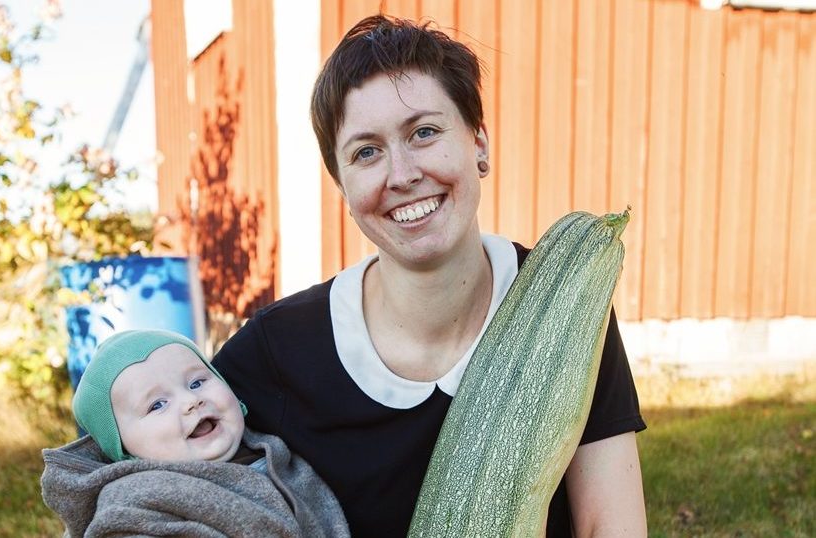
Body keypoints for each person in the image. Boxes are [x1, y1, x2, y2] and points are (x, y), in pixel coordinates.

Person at [213, 14, 647, 538]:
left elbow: (611, 525)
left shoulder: (566, 298)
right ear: (342, 185)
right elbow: (140, 471)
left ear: (479, 144)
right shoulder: (276, 352)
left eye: (424, 132)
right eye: (366, 152)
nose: (402, 175)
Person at [40, 329, 350, 538]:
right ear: (122, 448)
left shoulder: (275, 454)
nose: (191, 401)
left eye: (197, 382)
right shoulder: (134, 497)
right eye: (158, 404)